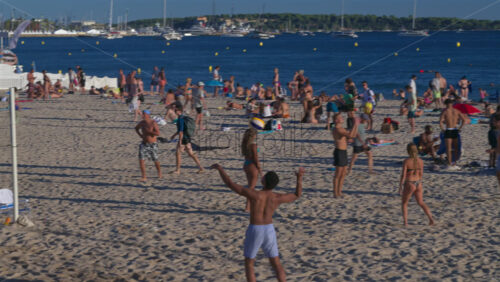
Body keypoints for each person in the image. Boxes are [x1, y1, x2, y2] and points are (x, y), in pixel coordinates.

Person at [210, 163, 304, 282]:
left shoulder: (254, 194)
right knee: (276, 263)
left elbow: (230, 184)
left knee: (249, 263)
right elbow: (297, 195)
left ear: (264, 181)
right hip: (269, 229)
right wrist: (299, 178)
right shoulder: (277, 197)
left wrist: (220, 169)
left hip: (256, 228)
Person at [399, 143, 434, 226]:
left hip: (410, 183)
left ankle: (406, 222)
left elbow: (403, 175)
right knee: (421, 202)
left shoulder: (407, 161)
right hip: (418, 183)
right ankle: (431, 219)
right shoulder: (421, 161)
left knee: (404, 203)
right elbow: (421, 174)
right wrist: (419, 181)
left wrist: (400, 185)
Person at [170, 105, 204, 174]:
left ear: (179, 111)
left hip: (183, 139)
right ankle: (201, 168)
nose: (174, 112)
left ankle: (178, 170)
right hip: (188, 138)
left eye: (175, 111)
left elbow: (181, 132)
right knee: (191, 153)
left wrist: (180, 142)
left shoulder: (180, 120)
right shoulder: (184, 118)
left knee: (178, 153)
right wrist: (174, 135)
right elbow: (182, 130)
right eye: (174, 111)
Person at [332, 113, 359, 198]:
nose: (342, 118)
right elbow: (350, 135)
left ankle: (339, 191)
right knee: (338, 174)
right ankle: (335, 193)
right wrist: (355, 124)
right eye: (340, 117)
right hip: (339, 152)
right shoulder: (337, 129)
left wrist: (356, 126)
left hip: (344, 152)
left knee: (343, 173)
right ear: (336, 120)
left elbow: (352, 136)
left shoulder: (342, 128)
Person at [439, 99, 467, 169]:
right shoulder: (457, 111)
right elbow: (464, 120)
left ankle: (449, 163)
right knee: (456, 147)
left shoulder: (445, 111)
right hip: (455, 129)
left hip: (448, 130)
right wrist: (460, 128)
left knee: (448, 148)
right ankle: (454, 163)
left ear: (446, 104)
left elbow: (440, 122)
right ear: (452, 104)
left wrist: (443, 129)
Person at [135, 110, 162, 182]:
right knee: (141, 160)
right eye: (142, 114)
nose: (142, 115)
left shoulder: (153, 122)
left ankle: (159, 173)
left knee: (155, 160)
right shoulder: (142, 123)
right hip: (144, 144)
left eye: (143, 114)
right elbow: (136, 128)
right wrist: (140, 135)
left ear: (147, 115)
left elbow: (158, 133)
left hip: (153, 144)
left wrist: (149, 132)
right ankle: (144, 177)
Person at [241, 128, 262, 212]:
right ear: (253, 136)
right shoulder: (253, 145)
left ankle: (249, 206)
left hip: (246, 164)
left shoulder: (244, 144)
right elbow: (255, 158)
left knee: (250, 186)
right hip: (252, 166)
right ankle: (247, 207)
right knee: (251, 188)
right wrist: (259, 168)